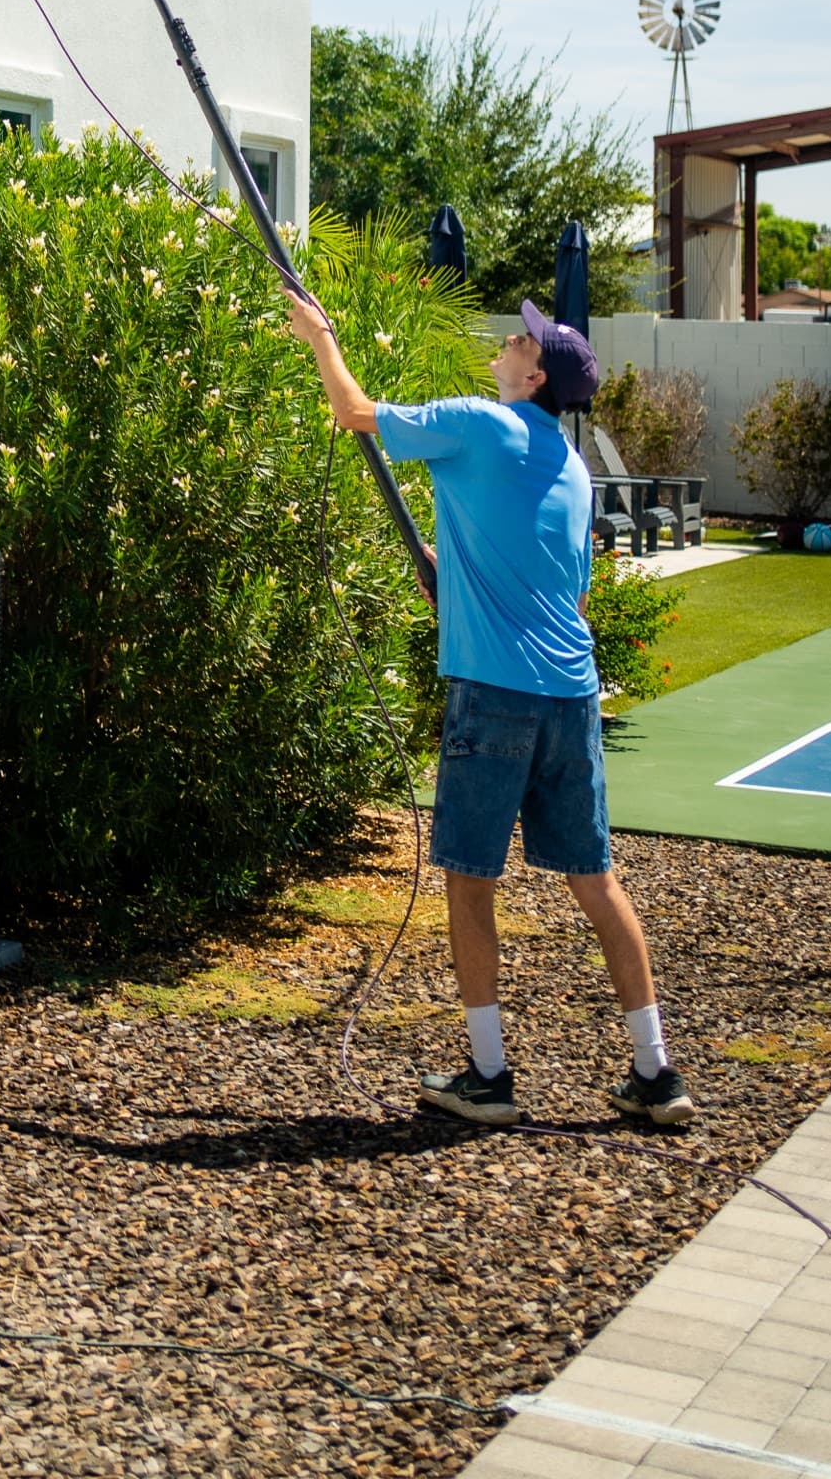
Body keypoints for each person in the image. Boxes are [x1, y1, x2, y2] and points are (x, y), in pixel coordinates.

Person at [286, 290, 695, 1130]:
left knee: (469, 880)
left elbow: (352, 410)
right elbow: (564, 594)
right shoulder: (573, 472)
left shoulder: (479, 422)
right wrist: (458, 571)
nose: (510, 340)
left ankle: (488, 1075)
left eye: (523, 340)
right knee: (596, 879)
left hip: (495, 695)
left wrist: (321, 334)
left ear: (534, 374)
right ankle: (656, 1075)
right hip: (571, 700)